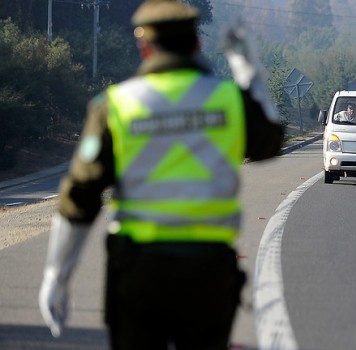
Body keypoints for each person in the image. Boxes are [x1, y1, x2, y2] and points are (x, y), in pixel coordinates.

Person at [37, 1, 284, 348]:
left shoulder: (116, 105)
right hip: (208, 273)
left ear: (144, 47)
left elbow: (80, 197)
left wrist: (56, 277)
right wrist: (250, 73)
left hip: (139, 272)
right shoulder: (230, 100)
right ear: (196, 45)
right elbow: (271, 141)